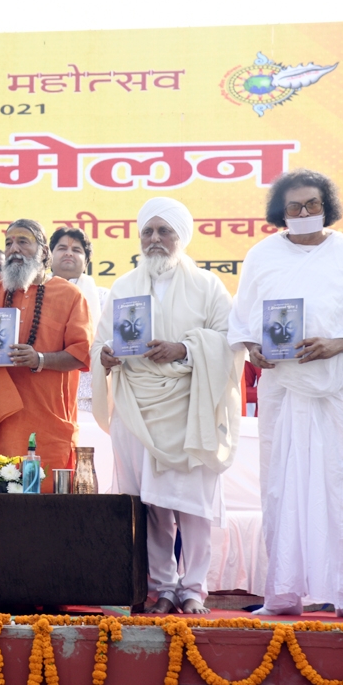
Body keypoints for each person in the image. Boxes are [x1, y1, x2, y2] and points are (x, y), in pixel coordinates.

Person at [228, 169, 343, 620]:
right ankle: (282, 594)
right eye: (294, 206)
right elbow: (242, 320)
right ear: (281, 211)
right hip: (285, 387)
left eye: (311, 205)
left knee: (341, 485)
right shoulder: (261, 255)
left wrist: (336, 343)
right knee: (282, 486)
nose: (302, 213)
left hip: (339, 384)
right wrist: (254, 348)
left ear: (327, 207)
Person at [92, 198, 242, 615]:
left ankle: (194, 588)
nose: (156, 240)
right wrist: (105, 355)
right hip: (137, 406)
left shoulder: (208, 286)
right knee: (152, 505)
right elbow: (101, 340)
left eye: (165, 231)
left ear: (182, 236)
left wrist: (184, 349)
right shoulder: (123, 286)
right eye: (148, 232)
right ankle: (163, 586)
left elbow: (229, 342)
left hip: (191, 406)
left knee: (192, 506)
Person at [0, 220, 92, 491]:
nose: (14, 249)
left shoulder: (70, 295)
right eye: (9, 243)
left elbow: (81, 354)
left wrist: (40, 360)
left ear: (44, 252)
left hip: (47, 421)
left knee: (48, 509)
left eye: (23, 241)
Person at [49, 226, 102, 412]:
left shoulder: (105, 298)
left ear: (86, 261)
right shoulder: (34, 296)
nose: (68, 253)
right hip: (46, 395)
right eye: (62, 248)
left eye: (76, 250)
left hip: (91, 400)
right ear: (49, 257)